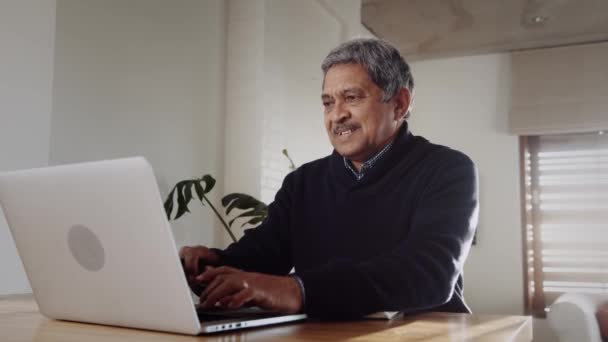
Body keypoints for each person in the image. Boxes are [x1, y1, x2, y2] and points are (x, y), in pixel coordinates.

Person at [180, 38, 478, 320]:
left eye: (351, 97)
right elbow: (261, 256)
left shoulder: (447, 169)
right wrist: (209, 266)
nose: (336, 115)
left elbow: (430, 274)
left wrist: (300, 290)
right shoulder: (303, 182)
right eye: (327, 103)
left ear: (399, 103)